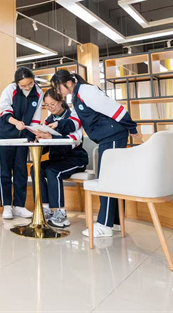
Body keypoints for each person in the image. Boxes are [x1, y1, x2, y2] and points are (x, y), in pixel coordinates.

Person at [51, 70, 140, 238]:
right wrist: (58, 125)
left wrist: (132, 127)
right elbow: (75, 122)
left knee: (107, 180)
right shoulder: (76, 97)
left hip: (113, 135)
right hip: (108, 137)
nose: (57, 91)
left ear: (68, 83)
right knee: (110, 180)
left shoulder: (87, 91)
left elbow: (115, 109)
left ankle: (104, 225)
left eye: (58, 87)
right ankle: (115, 222)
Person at [29, 88, 88, 229]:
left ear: (61, 101)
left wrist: (50, 137)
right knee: (35, 169)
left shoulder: (73, 118)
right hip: (57, 160)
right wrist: (39, 139)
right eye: (47, 105)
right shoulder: (48, 120)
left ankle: (61, 213)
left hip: (75, 159)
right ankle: (45, 209)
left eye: (53, 104)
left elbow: (73, 142)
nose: (50, 108)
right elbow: (47, 147)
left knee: (52, 171)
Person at [0, 67, 43, 220]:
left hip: (23, 137)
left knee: (21, 170)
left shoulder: (38, 92)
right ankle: (6, 206)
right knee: (5, 172)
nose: (27, 87)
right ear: (17, 83)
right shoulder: (10, 90)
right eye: (23, 85)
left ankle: (19, 206)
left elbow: (36, 118)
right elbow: (4, 112)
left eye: (30, 83)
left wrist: (33, 134)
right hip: (6, 136)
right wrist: (16, 122)